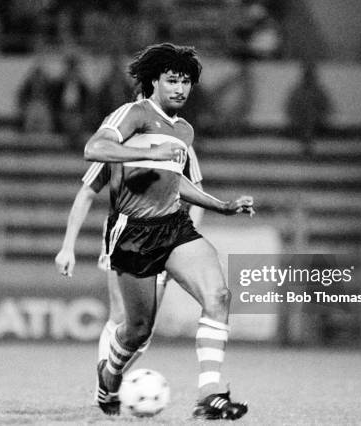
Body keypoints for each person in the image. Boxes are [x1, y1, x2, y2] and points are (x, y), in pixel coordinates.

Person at [82, 42, 253, 420]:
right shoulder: (134, 114)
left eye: (186, 81)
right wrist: (148, 153)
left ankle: (210, 393)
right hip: (133, 232)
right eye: (172, 80)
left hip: (173, 226)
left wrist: (221, 205)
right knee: (137, 330)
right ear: (154, 81)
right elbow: (95, 149)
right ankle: (109, 376)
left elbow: (176, 183)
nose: (180, 88)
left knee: (219, 295)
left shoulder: (184, 130)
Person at [54, 144, 204, 402]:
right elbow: (86, 193)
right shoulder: (116, 145)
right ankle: (104, 389)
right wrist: (67, 247)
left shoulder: (180, 144)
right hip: (124, 236)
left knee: (142, 330)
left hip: (165, 239)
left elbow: (198, 197)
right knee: (121, 315)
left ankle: (109, 379)